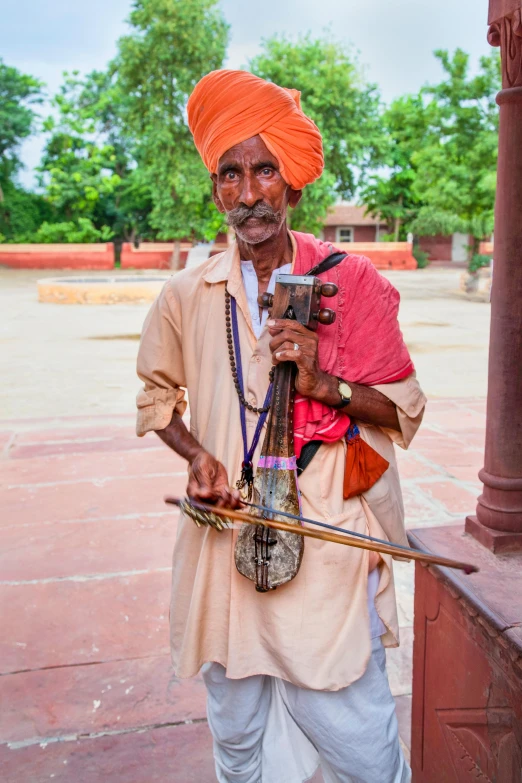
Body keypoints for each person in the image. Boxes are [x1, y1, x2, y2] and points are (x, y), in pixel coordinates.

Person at [136, 69, 426, 783]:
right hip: (224, 534)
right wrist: (197, 454)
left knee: (353, 729)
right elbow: (155, 399)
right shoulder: (185, 294)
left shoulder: (351, 282)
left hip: (324, 530)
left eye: (265, 169)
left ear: (291, 182)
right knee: (236, 729)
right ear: (217, 192)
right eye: (230, 174)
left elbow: (402, 408)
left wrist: (326, 382)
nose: (250, 190)